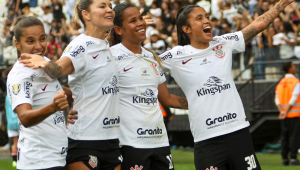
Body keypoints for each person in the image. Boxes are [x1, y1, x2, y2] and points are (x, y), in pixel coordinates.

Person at [159, 0, 295, 169]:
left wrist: (280, 5)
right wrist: (192, 103)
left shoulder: (223, 42)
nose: (207, 21)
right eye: (199, 18)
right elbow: (143, 65)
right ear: (186, 29)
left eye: (207, 17)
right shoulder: (175, 56)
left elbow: (258, 25)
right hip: (206, 140)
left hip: (238, 133)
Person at [19, 0, 122, 169]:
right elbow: (57, 70)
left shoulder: (105, 44)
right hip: (85, 140)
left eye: (110, 6)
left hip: (112, 139)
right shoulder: (80, 45)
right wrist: (43, 61)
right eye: (102, 6)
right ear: (86, 15)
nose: (109, 9)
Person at [108, 3, 188, 170]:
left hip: (160, 142)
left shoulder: (151, 57)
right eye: (133, 20)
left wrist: (200, 103)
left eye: (140, 18)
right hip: (130, 144)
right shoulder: (110, 57)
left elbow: (166, 99)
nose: (140, 23)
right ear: (118, 30)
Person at [3, 16, 70, 170]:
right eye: (31, 41)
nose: (39, 46)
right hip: (39, 162)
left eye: (42, 39)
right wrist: (53, 107)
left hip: (58, 158)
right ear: (17, 44)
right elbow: (25, 117)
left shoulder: (43, 63)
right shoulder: (19, 75)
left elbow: (56, 92)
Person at [275, 62, 300, 166]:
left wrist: (282, 111)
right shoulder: (296, 82)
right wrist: (287, 111)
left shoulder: (280, 83)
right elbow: (294, 98)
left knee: (284, 137)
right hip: (294, 115)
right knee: (295, 136)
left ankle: (284, 159)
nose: (295, 67)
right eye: (293, 66)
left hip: (283, 115)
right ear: (290, 68)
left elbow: (277, 100)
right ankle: (293, 158)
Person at [5, 95, 19, 168]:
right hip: (18, 121)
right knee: (21, 142)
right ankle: (20, 159)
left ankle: (14, 161)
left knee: (15, 143)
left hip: (10, 123)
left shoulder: (7, 97)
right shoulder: (16, 94)